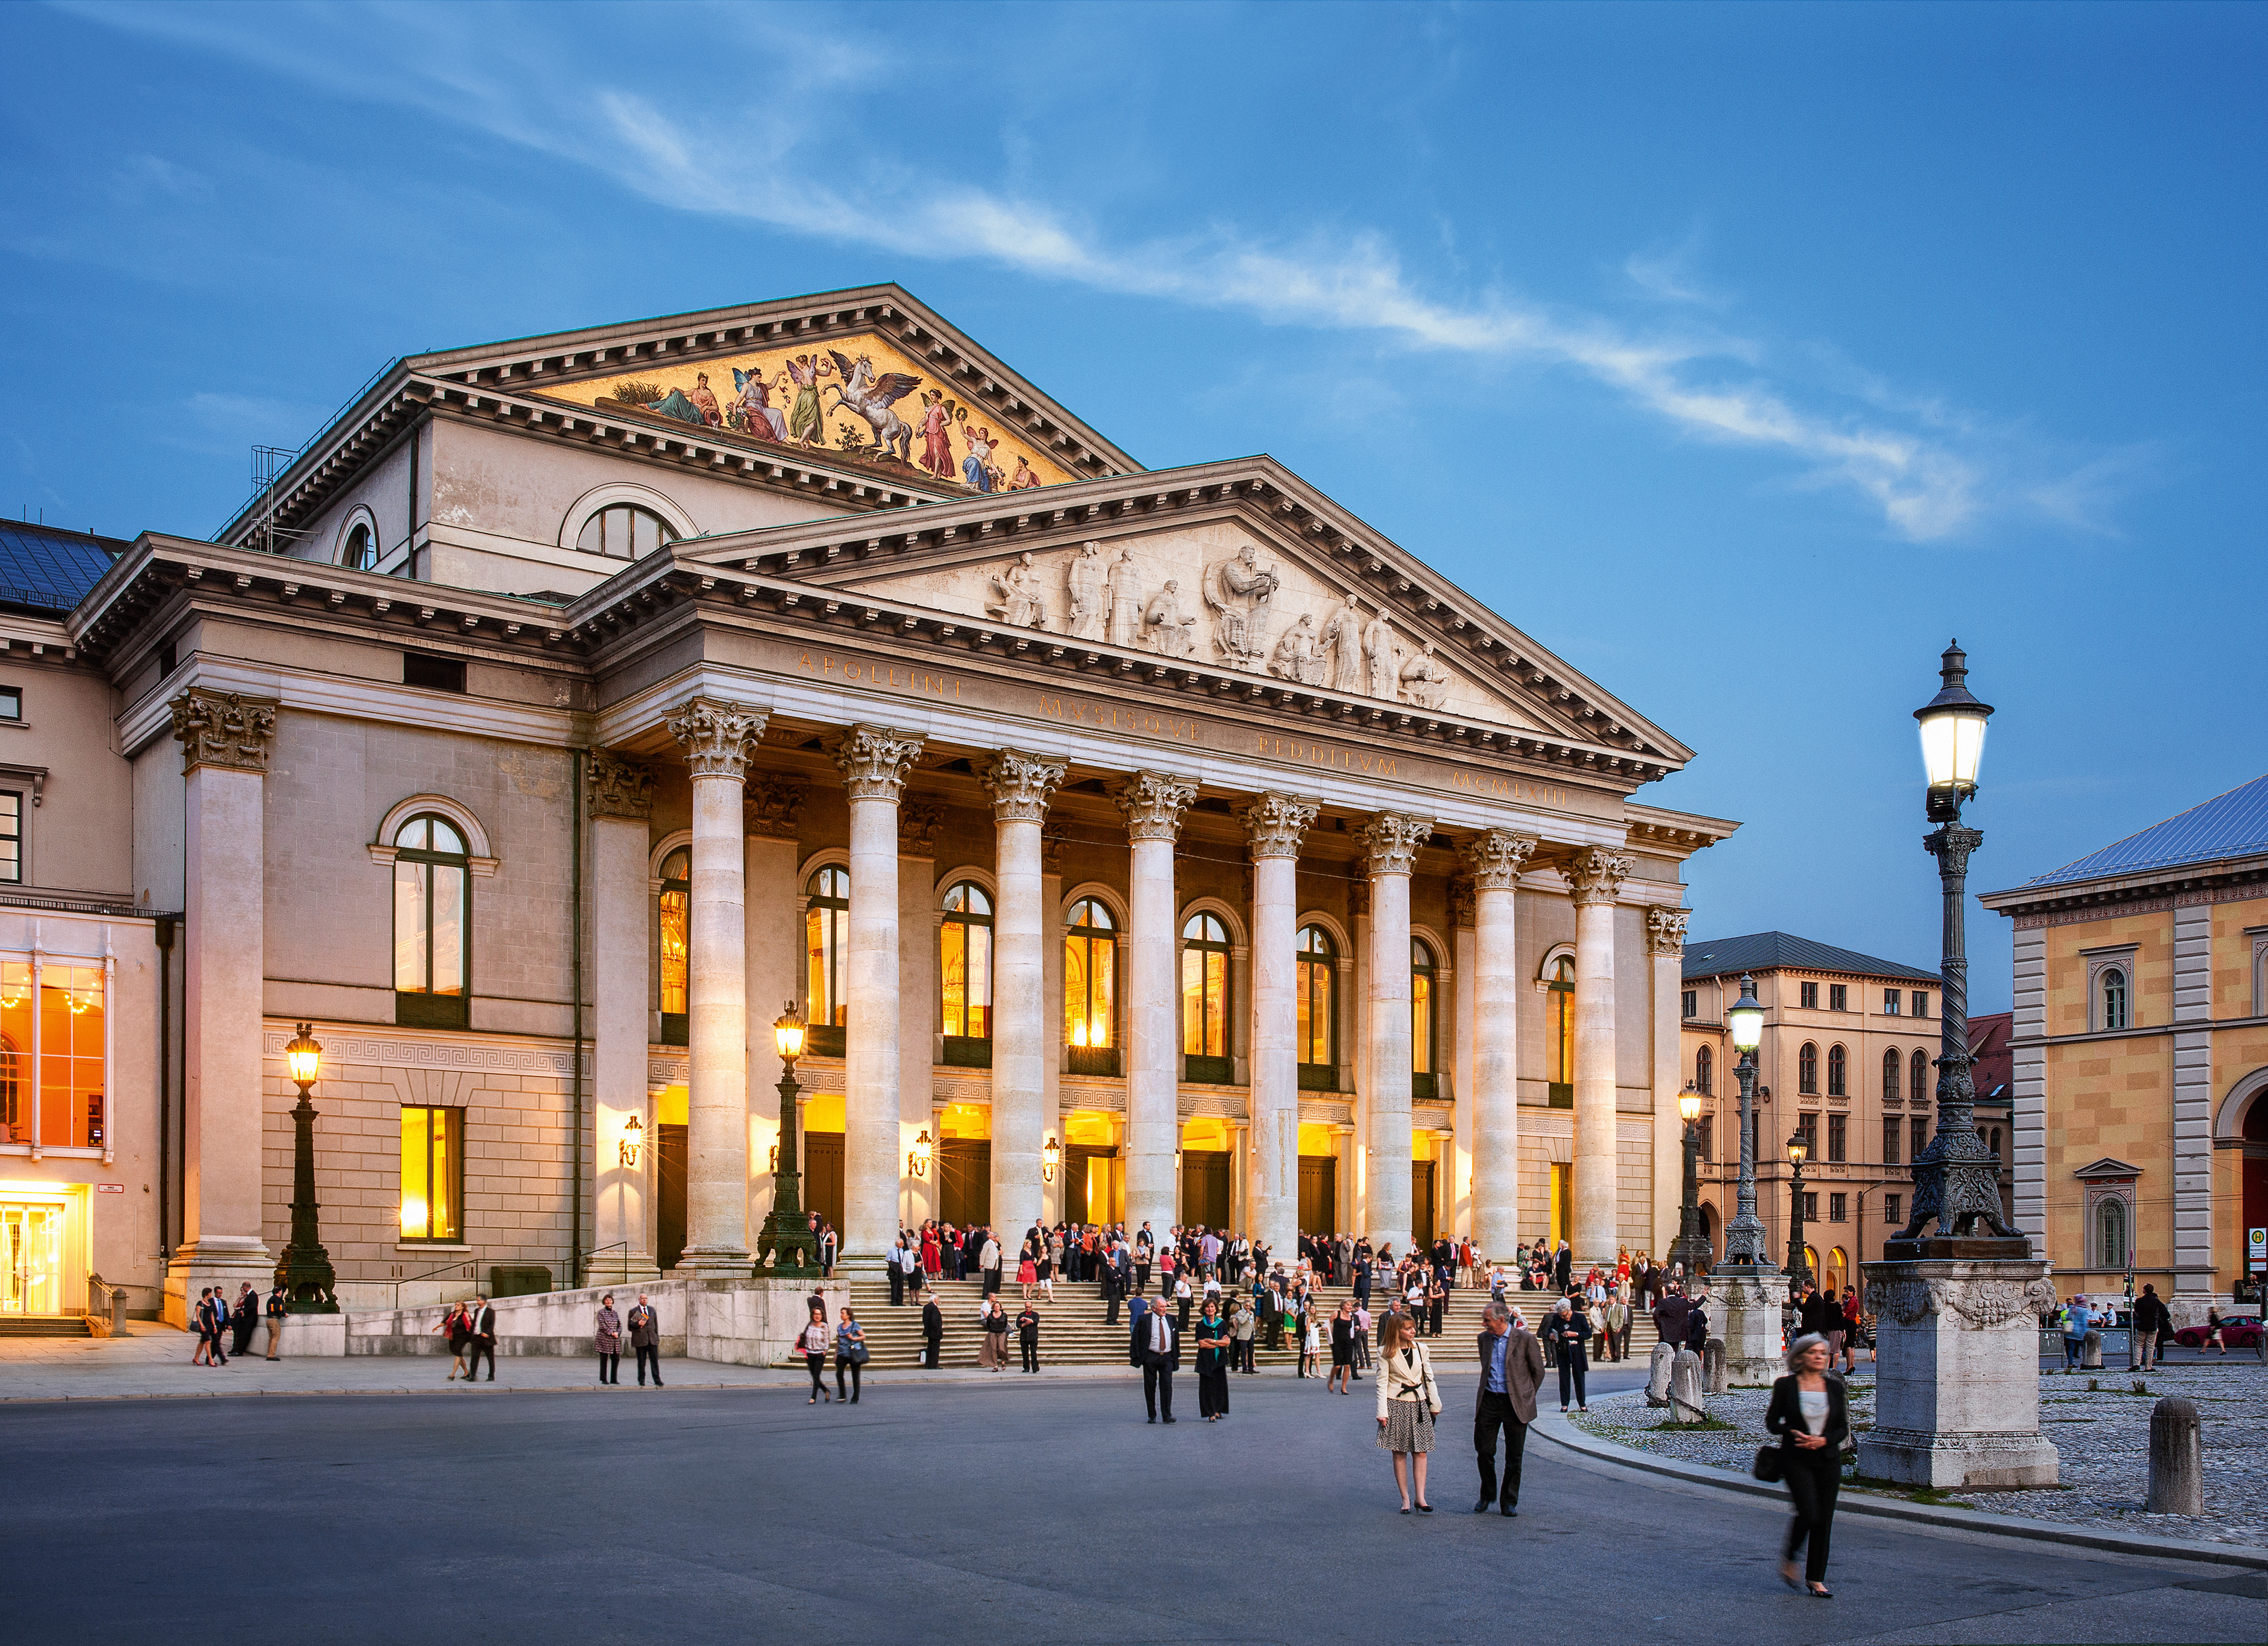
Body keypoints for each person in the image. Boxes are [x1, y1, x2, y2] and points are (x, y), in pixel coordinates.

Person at [1766, 1334, 1847, 1598]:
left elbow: (1842, 1428)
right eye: (1813, 1352)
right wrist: (1792, 1432)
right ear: (1800, 1356)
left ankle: (1816, 1578)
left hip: (1828, 1458)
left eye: (1823, 1353)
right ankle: (1790, 1557)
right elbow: (1772, 1423)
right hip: (1796, 1458)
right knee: (1810, 1512)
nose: (1819, 1357)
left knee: (1824, 1519)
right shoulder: (1786, 1385)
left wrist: (1823, 1439)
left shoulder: (1834, 1387)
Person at [1474, 1303, 1545, 1516]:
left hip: (1515, 1404)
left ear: (1502, 1320)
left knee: (1514, 1456)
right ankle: (1487, 1495)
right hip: (1489, 1401)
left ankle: (1509, 1501)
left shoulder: (1526, 1340)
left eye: (1487, 1320)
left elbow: (1538, 1371)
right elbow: (1486, 1367)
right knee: (1484, 1450)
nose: (1484, 1324)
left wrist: (1526, 1395)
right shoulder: (1484, 1339)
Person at [1374, 1313, 1442, 1513]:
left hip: (1420, 1403)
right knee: (1400, 1451)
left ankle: (1420, 1498)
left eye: (1413, 1328)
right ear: (1397, 1331)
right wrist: (1382, 1411)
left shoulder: (1422, 1349)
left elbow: (1429, 1378)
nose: (1413, 1331)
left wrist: (1435, 1403)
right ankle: (1405, 1499)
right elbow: (1382, 1383)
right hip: (1396, 1403)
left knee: (1421, 1451)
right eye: (1408, 1329)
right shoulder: (1385, 1352)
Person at [1138, 1296, 1180, 1423]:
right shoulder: (1144, 1320)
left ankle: (1167, 1415)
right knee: (1150, 1386)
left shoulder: (1172, 1319)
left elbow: (1176, 1339)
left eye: (1165, 1306)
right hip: (1151, 1356)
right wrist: (1141, 1357)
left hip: (1167, 1357)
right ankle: (1152, 1415)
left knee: (1167, 1386)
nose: (1165, 1309)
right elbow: (1137, 1338)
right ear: (1154, 1308)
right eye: (1162, 1307)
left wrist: (1175, 1356)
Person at [1194, 1301, 1232, 1420]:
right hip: (1205, 1359)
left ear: (1216, 1309)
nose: (1210, 1309)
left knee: (1220, 1385)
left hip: (1219, 1358)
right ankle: (1210, 1413)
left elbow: (1227, 1342)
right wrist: (1219, 1344)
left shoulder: (1222, 1324)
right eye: (1208, 1307)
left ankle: (1218, 1410)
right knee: (1207, 1386)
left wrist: (1212, 1342)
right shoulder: (1200, 1325)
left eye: (1212, 1307)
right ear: (1204, 1309)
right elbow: (1202, 1345)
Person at [1553, 1296, 1591, 1412]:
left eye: (1565, 1315)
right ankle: (1565, 1404)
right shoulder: (1557, 1318)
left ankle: (1582, 1403)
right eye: (1562, 1316)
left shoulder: (1580, 1317)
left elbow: (1588, 1334)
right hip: (1563, 1351)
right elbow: (1550, 1329)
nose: (1564, 1318)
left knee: (1579, 1378)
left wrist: (1576, 1334)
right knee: (1564, 1379)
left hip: (1577, 1351)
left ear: (1570, 1310)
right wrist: (1552, 1335)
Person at [799, 1305, 833, 1403]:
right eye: (815, 1314)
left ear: (822, 1316)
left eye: (819, 1314)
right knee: (815, 1377)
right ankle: (826, 1391)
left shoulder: (824, 1326)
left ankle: (813, 1397)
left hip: (820, 1354)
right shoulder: (810, 1325)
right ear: (812, 1315)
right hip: (809, 1354)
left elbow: (827, 1340)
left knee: (817, 1375)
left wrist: (825, 1351)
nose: (817, 1316)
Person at [2133, 1283, 2172, 1370]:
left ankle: (2137, 1364)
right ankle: (2148, 1367)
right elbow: (2166, 1314)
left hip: (2142, 1326)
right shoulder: (2156, 1301)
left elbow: (2136, 1312)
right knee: (2150, 1346)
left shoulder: (2139, 1301)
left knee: (2139, 1345)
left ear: (2145, 1291)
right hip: (2153, 1326)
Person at [628, 1294, 662, 1387]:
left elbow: (656, 1325)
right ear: (639, 1300)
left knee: (655, 1361)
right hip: (640, 1340)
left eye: (646, 1298)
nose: (644, 1300)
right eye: (642, 1299)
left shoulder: (652, 1310)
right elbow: (630, 1326)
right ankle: (642, 1380)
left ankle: (657, 1379)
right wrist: (638, 1324)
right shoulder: (634, 1311)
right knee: (642, 1361)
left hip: (652, 1339)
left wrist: (657, 1337)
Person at [835, 1307, 865, 1403]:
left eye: (843, 1313)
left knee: (855, 1376)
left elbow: (863, 1336)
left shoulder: (855, 1325)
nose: (841, 1315)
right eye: (841, 1313)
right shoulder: (840, 1327)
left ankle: (855, 1398)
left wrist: (853, 1338)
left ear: (848, 1315)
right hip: (842, 1353)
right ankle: (843, 1395)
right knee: (839, 1374)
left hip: (853, 1353)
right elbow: (839, 1341)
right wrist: (836, 1354)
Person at [1328, 1299, 1358, 1393]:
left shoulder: (1351, 1317)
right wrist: (1330, 1334)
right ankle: (1331, 1380)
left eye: (1351, 1305)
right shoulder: (1337, 1314)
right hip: (1337, 1342)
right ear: (1343, 1306)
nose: (1350, 1307)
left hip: (1348, 1342)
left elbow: (1351, 1331)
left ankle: (1344, 1387)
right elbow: (1328, 1323)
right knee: (1337, 1366)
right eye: (1348, 1305)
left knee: (1348, 1365)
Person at [466, 1296, 496, 1381]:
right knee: (474, 1357)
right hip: (476, 1338)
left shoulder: (491, 1312)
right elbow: (475, 1323)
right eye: (477, 1300)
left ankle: (491, 1376)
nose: (477, 1302)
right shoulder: (477, 1311)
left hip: (486, 1338)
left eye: (479, 1300)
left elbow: (492, 1324)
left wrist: (487, 1333)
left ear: (484, 1301)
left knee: (490, 1358)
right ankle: (473, 1376)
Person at [594, 1294, 622, 1385]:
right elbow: (602, 1325)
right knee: (604, 1360)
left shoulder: (615, 1313)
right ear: (604, 1302)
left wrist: (618, 1332)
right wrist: (611, 1333)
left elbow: (620, 1325)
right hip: (604, 1339)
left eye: (610, 1300)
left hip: (615, 1340)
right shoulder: (601, 1313)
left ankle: (614, 1379)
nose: (608, 1301)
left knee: (616, 1359)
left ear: (613, 1301)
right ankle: (604, 1379)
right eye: (607, 1300)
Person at [2061, 1296, 2092, 1371]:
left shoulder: (2073, 1308)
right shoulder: (2085, 1310)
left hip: (2071, 1332)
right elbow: (2085, 1322)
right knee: (2084, 1348)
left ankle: (2070, 1364)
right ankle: (2086, 1362)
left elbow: (2068, 1317)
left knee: (2071, 1348)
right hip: (2081, 1332)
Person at [231, 1284, 260, 1358]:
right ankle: (237, 1350)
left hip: (250, 1319)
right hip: (246, 1319)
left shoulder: (253, 1295)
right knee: (242, 1335)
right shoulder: (251, 1295)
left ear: (245, 1288)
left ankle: (240, 1351)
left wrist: (244, 1311)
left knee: (245, 1336)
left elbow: (253, 1307)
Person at [1599, 1293, 1630, 1363]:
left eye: (1612, 1299)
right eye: (1610, 1299)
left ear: (1615, 1300)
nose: (1611, 1301)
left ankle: (1618, 1357)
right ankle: (1613, 1357)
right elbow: (1607, 1317)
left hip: (1616, 1327)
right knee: (1611, 1343)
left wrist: (1619, 1327)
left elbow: (1621, 1317)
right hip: (1609, 1326)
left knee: (1617, 1343)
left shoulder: (1619, 1307)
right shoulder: (1608, 1308)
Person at [1230, 1294, 1256, 1373]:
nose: (1248, 1307)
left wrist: (1254, 1332)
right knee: (1244, 1352)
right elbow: (1242, 1321)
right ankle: (1245, 1368)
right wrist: (1248, 1314)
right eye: (1247, 1306)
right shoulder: (1240, 1313)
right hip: (1243, 1335)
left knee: (1251, 1351)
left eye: (1249, 1306)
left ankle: (1251, 1367)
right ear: (1244, 1306)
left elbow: (1252, 1323)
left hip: (1251, 1334)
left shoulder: (1252, 1313)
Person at [264, 1285, 289, 1360]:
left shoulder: (270, 1299)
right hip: (274, 1320)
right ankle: (271, 1356)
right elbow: (278, 1309)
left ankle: (270, 1354)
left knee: (271, 1338)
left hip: (269, 1320)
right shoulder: (277, 1300)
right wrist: (284, 1314)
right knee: (276, 1337)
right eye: (281, 1292)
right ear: (279, 1292)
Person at [1015, 1302, 1041, 1373]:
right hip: (1024, 1337)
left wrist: (1028, 1320)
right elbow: (1018, 1325)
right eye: (1027, 1307)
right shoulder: (1021, 1315)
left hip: (1033, 1336)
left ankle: (1035, 1367)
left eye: (1029, 1307)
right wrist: (1025, 1323)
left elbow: (1036, 1321)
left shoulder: (1035, 1315)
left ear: (1032, 1307)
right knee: (1025, 1353)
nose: (1028, 1308)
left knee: (1033, 1353)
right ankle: (1026, 1367)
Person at [920, 1294, 944, 1368]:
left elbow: (925, 1320)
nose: (939, 1301)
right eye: (938, 1299)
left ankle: (929, 1364)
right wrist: (937, 1330)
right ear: (935, 1300)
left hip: (929, 1331)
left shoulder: (926, 1307)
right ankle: (934, 1365)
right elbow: (934, 1321)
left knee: (930, 1348)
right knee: (935, 1350)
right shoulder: (934, 1308)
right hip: (935, 1332)